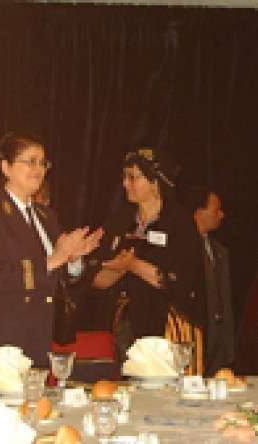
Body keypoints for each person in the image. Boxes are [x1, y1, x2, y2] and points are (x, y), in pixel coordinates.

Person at [0, 133, 102, 397]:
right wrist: (56, 259)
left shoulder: (46, 216)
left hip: (35, 336)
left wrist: (73, 260)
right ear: (6, 167)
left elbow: (58, 276)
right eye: (30, 161)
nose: (38, 169)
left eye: (43, 162)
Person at [88, 148, 205, 371]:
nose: (125, 184)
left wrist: (133, 264)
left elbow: (178, 281)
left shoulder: (179, 223)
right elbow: (94, 281)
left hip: (162, 329)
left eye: (133, 177)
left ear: (155, 182)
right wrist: (114, 269)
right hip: (116, 328)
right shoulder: (119, 220)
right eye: (124, 177)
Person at [186, 186, 235, 375]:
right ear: (199, 213)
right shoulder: (184, 249)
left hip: (219, 336)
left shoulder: (219, 251)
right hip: (197, 333)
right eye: (217, 210)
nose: (222, 215)